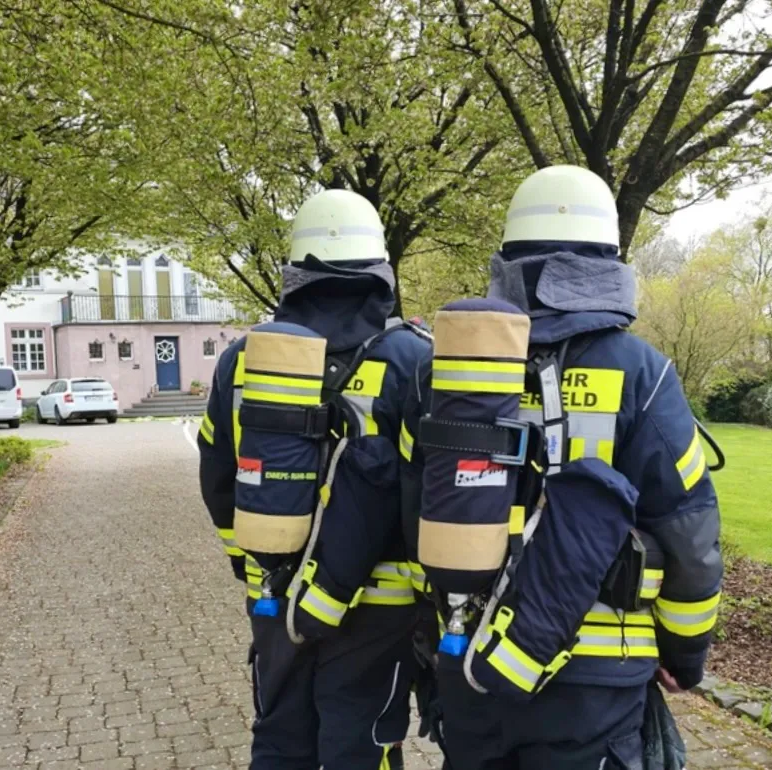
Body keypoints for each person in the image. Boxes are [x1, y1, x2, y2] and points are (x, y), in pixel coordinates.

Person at [399, 165, 723, 769]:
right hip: (595, 684)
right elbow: (690, 531)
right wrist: (685, 655)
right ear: (608, 260)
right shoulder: (641, 373)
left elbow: (408, 506)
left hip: (469, 656)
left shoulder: (443, 369)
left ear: (507, 261)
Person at [198, 188, 432, 769]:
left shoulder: (243, 358)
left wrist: (248, 560)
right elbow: (422, 492)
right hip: (379, 607)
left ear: (294, 272)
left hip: (275, 590)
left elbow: (216, 473)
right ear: (380, 271)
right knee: (363, 745)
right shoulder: (412, 360)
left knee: (279, 738)